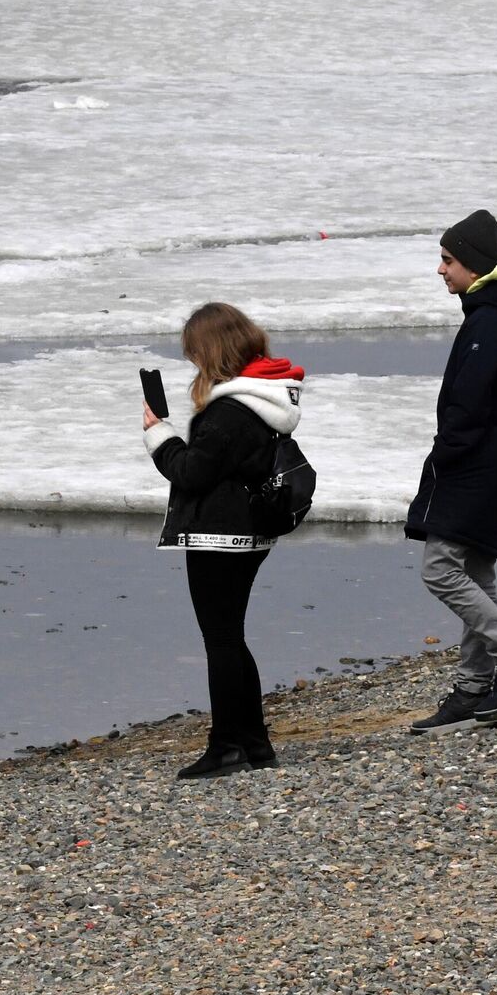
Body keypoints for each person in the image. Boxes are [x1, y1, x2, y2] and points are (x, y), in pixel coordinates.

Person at [142, 302, 306, 778]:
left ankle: (226, 746)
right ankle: (254, 744)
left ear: (211, 350)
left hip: (219, 535)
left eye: (195, 353)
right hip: (249, 533)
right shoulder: (267, 398)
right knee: (230, 638)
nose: (193, 362)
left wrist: (161, 436)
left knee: (221, 641)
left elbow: (191, 474)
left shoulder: (228, 411)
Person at [406, 209, 497, 736]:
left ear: (471, 263)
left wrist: (444, 455)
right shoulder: (491, 314)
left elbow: (468, 404)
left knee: (441, 570)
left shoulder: (489, 321)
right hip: (490, 455)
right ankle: (473, 687)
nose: (441, 270)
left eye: (447, 260)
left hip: (473, 460)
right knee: (477, 573)